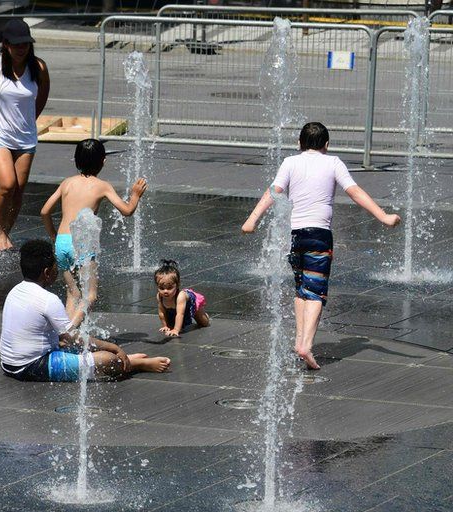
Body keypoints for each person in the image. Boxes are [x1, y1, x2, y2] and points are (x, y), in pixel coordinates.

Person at [242, 122, 401, 370]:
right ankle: (305, 344)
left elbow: (273, 191)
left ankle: (299, 339)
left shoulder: (290, 162)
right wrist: (383, 216)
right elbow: (354, 191)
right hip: (320, 235)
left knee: (301, 288)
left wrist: (252, 219)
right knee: (316, 290)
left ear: (299, 144)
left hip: (296, 235)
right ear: (327, 145)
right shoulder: (333, 162)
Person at [0, 239, 170, 382]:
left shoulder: (15, 292)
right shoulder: (47, 299)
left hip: (9, 364)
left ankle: (125, 359)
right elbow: (74, 338)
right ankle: (133, 364)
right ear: (46, 272)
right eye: (55, 267)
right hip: (33, 366)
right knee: (108, 360)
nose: (57, 270)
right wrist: (113, 347)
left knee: (73, 346)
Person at [40, 139, 147, 327]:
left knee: (73, 294)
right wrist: (135, 195)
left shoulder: (67, 183)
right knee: (90, 296)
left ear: (76, 160)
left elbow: (44, 211)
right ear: (103, 161)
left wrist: (53, 236)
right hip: (82, 243)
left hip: (62, 242)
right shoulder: (102, 185)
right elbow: (127, 211)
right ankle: (69, 330)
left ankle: (63, 334)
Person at [0, 18, 51, 251]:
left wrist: (33, 115)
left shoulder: (39, 67)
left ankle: (6, 233)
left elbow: (44, 91)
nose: (21, 49)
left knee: (19, 189)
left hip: (25, 137)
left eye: (25, 44)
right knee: (7, 184)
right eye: (16, 45)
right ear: (5, 44)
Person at [154, 259, 209, 337]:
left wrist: (176, 330)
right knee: (171, 325)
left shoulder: (180, 297)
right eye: (161, 288)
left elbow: (180, 314)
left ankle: (203, 314)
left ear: (177, 285)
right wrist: (165, 326)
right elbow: (162, 313)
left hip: (192, 302)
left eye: (169, 288)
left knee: (204, 323)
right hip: (178, 307)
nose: (165, 291)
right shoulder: (159, 296)